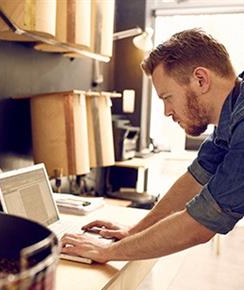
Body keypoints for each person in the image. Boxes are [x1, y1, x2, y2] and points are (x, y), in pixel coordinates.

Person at [61, 28, 244, 263]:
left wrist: (107, 252)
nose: (167, 111)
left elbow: (201, 222)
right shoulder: (231, 110)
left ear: (201, 80)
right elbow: (197, 177)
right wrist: (133, 232)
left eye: (167, 97)